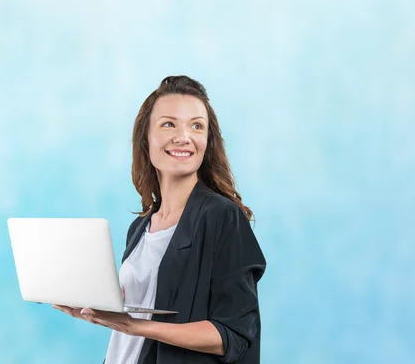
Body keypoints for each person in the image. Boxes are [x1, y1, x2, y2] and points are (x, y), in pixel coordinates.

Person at [54, 75, 267, 364]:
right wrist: (97, 305)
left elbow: (234, 334)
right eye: (169, 124)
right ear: (146, 138)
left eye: (196, 126)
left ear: (207, 140)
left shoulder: (221, 218)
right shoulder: (141, 227)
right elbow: (140, 307)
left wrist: (134, 326)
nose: (184, 136)